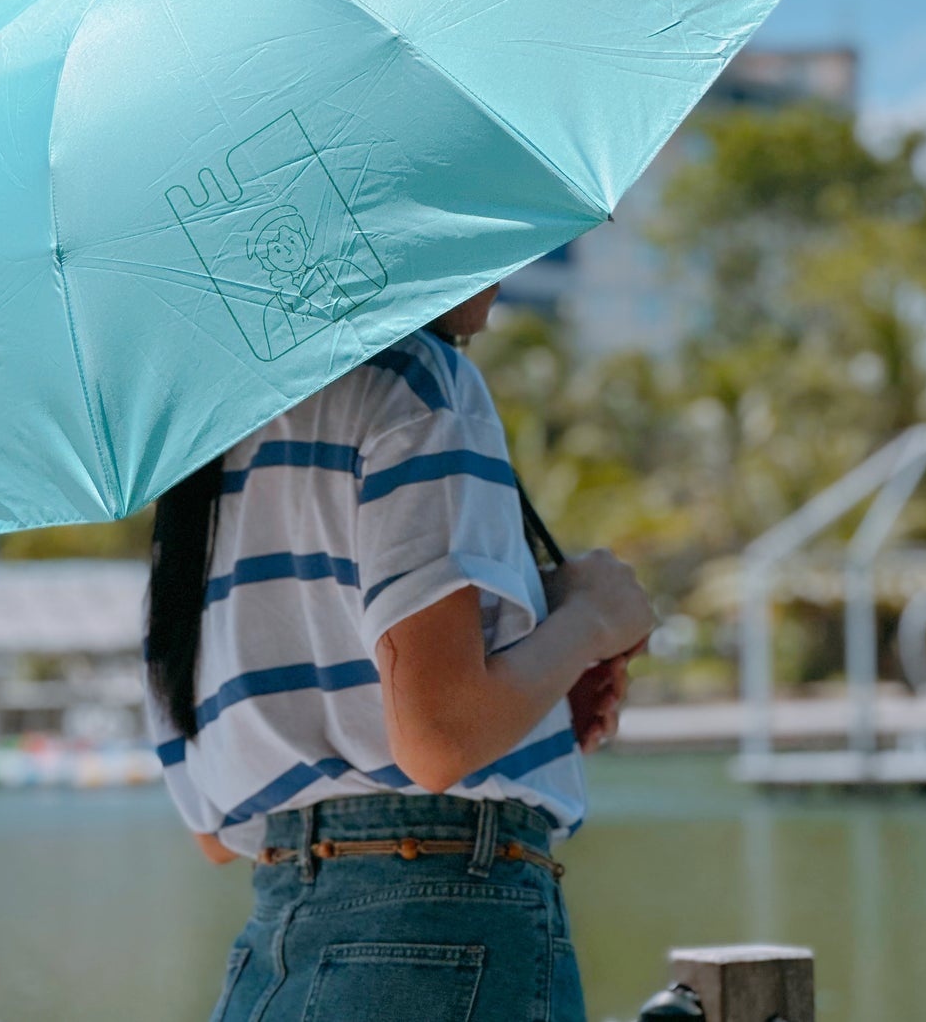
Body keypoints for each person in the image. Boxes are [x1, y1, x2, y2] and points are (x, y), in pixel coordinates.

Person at [144, 283, 654, 1022]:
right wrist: (589, 618)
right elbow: (440, 737)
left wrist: (516, 655)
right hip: (443, 921)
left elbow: (209, 828)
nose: (504, 272)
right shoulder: (416, 379)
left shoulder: (201, 442)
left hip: (271, 953)